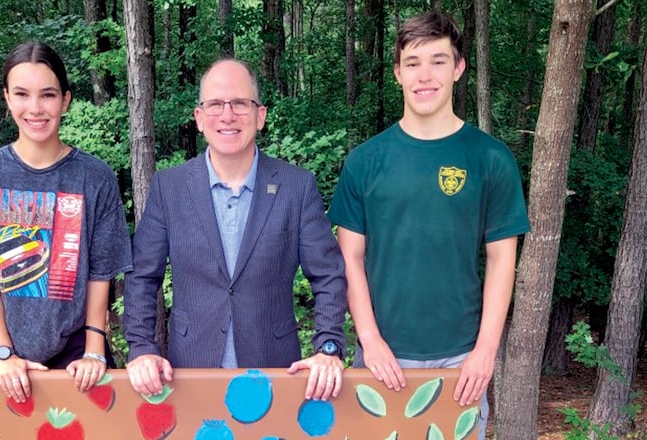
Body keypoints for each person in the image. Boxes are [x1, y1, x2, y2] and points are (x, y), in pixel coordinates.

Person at [327, 12, 530, 438]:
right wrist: (370, 340)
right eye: (414, 62)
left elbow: (501, 260)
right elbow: (350, 258)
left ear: (458, 69)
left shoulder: (490, 159)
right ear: (398, 72)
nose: (425, 75)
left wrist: (485, 351)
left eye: (439, 61)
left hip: (461, 361)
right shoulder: (365, 161)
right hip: (382, 358)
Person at [123, 58, 348, 401]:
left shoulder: (296, 187)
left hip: (274, 375)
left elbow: (328, 274)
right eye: (215, 104)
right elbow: (142, 276)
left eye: (240, 103)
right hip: (189, 375)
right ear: (199, 118)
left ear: (260, 115)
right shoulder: (169, 188)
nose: (227, 115)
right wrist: (141, 348)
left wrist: (328, 347)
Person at [0, 41, 133, 404]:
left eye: (47, 95)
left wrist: (94, 347)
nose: (35, 108)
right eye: (22, 94)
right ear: (7, 99)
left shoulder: (96, 177)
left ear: (65, 100)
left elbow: (100, 272)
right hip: (11, 355)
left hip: (79, 352)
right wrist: (3, 353)